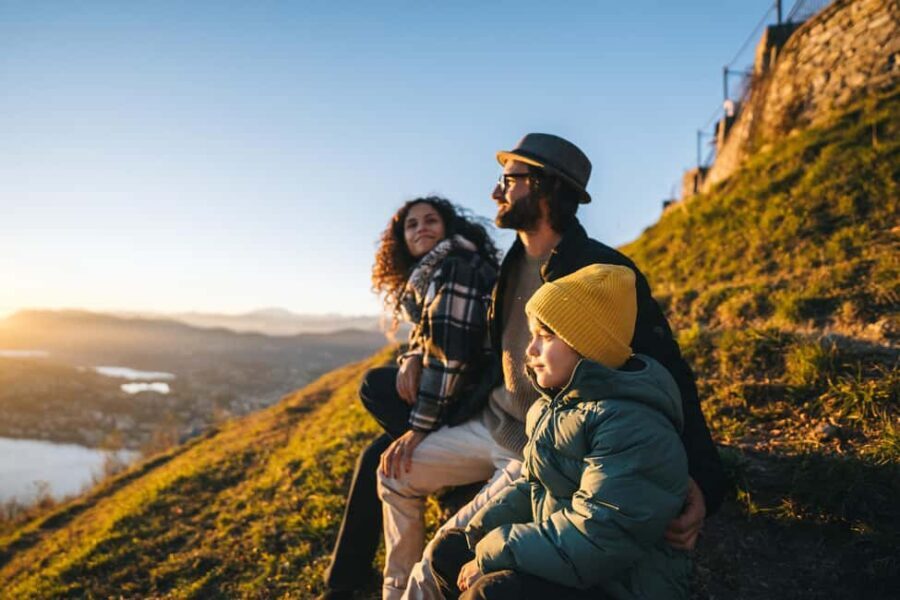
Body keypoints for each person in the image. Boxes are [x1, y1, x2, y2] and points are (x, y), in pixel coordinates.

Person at [378, 133, 724, 600]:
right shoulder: (511, 263)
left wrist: (704, 481)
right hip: (491, 420)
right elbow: (467, 343)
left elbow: (665, 372)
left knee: (437, 565)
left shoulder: (599, 271)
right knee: (390, 472)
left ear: (545, 188)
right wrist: (417, 361)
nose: (495, 191)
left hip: (537, 445)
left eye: (509, 178)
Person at [431, 263, 691, 599]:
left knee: (492, 593)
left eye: (546, 335)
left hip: (620, 582)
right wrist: (479, 533)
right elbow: (534, 484)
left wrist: (495, 550)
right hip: (565, 554)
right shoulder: (554, 406)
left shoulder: (631, 424)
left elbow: (598, 535)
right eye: (532, 335)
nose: (530, 350)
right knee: (449, 551)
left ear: (588, 345)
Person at [318, 196, 501, 600]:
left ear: (448, 228)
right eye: (411, 225)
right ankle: (344, 583)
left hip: (476, 404)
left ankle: (364, 583)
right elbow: (433, 344)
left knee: (375, 386)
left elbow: (452, 358)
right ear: (402, 240)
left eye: (430, 220)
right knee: (376, 456)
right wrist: (413, 354)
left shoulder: (457, 267)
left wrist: (418, 431)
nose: (421, 228)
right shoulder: (431, 275)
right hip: (461, 398)